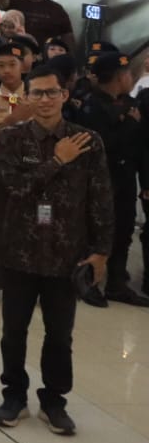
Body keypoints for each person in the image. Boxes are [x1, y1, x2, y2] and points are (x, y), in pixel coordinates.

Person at [0, 63, 112, 436]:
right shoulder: (11, 139)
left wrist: (102, 251)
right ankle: (14, 395)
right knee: (14, 331)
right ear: (26, 97)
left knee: (60, 334)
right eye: (37, 93)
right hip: (19, 252)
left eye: (51, 92)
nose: (44, 100)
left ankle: (54, 400)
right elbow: (16, 189)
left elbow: (100, 198)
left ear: (64, 95)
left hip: (66, 254)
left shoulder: (87, 141)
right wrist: (57, 160)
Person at [73, 50, 149, 306]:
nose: (131, 78)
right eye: (127, 73)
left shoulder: (130, 104)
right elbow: (101, 144)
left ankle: (117, 283)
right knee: (96, 232)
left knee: (123, 229)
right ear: (119, 77)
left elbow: (141, 145)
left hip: (126, 177)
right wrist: (129, 125)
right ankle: (89, 282)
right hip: (100, 179)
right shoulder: (92, 106)